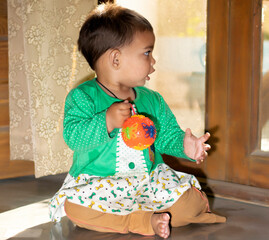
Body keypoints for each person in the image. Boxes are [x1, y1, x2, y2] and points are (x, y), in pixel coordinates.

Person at [49, 3, 226, 238]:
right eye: (147, 53)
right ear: (115, 59)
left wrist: (186, 146)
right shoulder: (83, 97)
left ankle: (145, 214)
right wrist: (107, 121)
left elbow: (166, 136)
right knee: (76, 208)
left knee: (189, 204)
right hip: (102, 184)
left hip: (148, 181)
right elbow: (73, 137)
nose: (153, 61)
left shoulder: (152, 100)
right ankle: (141, 221)